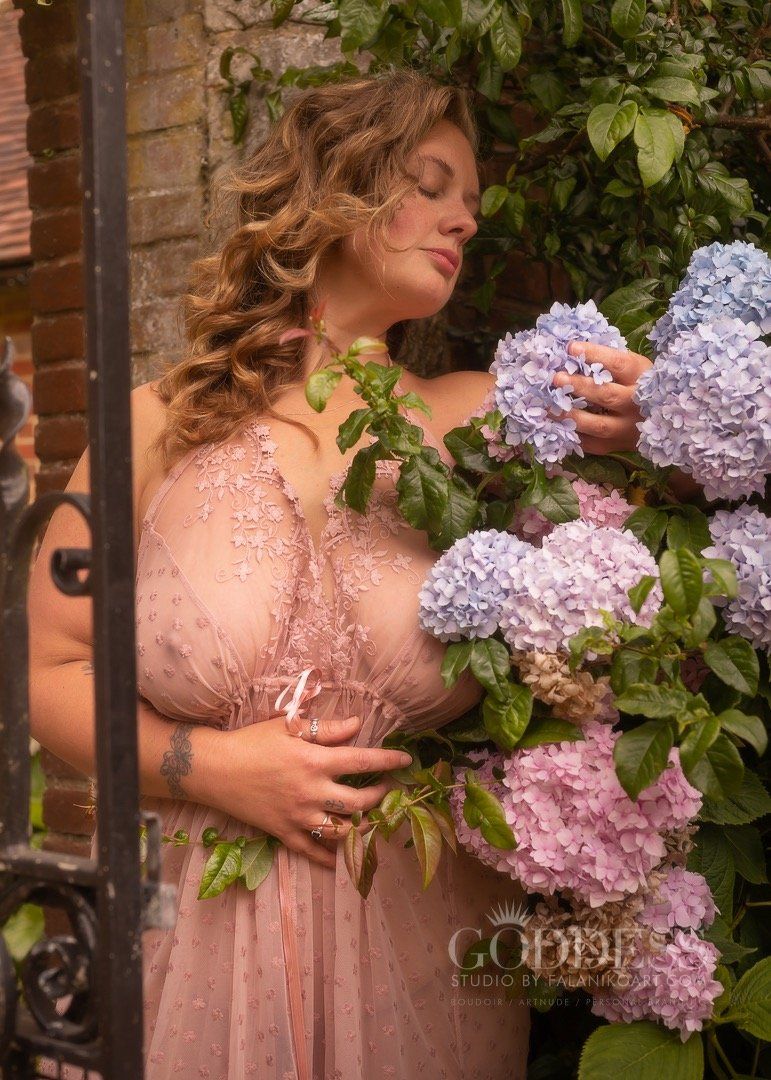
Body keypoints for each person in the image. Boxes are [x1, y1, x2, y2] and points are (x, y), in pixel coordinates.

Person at [29, 70, 652, 1079]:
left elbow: (701, 492)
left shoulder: (485, 420)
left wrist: (658, 420)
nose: (464, 220)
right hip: (191, 944)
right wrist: (212, 767)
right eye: (432, 185)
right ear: (336, 189)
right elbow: (50, 672)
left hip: (419, 955)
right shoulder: (149, 426)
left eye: (471, 204)